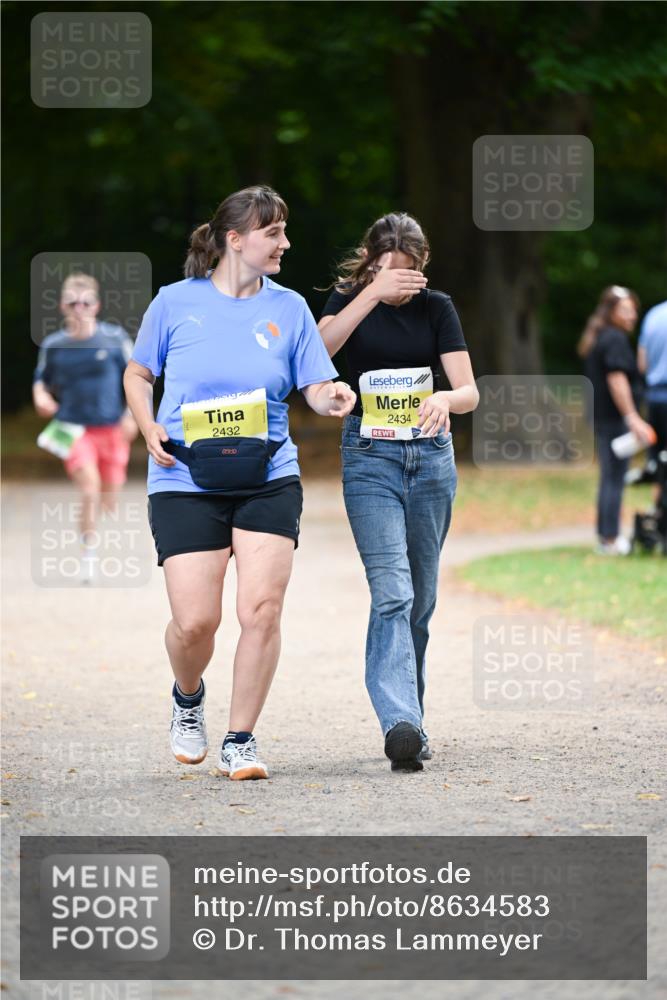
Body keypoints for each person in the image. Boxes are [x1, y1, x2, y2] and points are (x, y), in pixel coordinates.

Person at [123, 185, 355, 781]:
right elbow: (138, 370)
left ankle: (241, 740)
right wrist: (147, 425)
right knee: (196, 622)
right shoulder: (175, 303)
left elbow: (312, 382)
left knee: (262, 609)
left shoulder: (290, 308)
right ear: (235, 239)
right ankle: (187, 695)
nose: (285, 242)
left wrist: (330, 396)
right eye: (273, 232)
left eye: (283, 231)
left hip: (268, 474)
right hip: (184, 474)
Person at [317, 212, 478, 772]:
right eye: (387, 271)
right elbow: (316, 352)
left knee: (421, 602)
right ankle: (399, 724)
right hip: (370, 459)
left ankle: (413, 720)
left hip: (430, 460)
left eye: (408, 274)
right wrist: (369, 293)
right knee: (392, 593)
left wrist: (445, 401)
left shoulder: (438, 309)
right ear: (369, 264)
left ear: (423, 268)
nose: (398, 284)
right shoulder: (349, 300)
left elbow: (469, 392)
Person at [32, 271, 138, 581]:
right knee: (89, 490)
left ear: (97, 305)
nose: (79, 309)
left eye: (85, 303)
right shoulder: (54, 345)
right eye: (72, 303)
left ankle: (99, 524)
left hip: (112, 429)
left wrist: (132, 417)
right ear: (63, 306)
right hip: (71, 429)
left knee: (109, 495)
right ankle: (88, 555)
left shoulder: (115, 338)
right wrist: (40, 397)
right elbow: (41, 381)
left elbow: (135, 380)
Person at [578, 285, 655, 555]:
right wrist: (632, 417)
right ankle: (609, 539)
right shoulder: (614, 339)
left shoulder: (602, 336)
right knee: (614, 478)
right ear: (611, 311)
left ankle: (606, 537)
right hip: (613, 420)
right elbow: (617, 380)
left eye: (634, 310)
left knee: (611, 477)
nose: (632, 315)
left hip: (604, 418)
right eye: (626, 310)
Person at [638, 299, 667, 503]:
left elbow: (642, 363)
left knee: (658, 463)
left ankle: (659, 517)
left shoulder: (654, 314)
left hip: (655, 397)